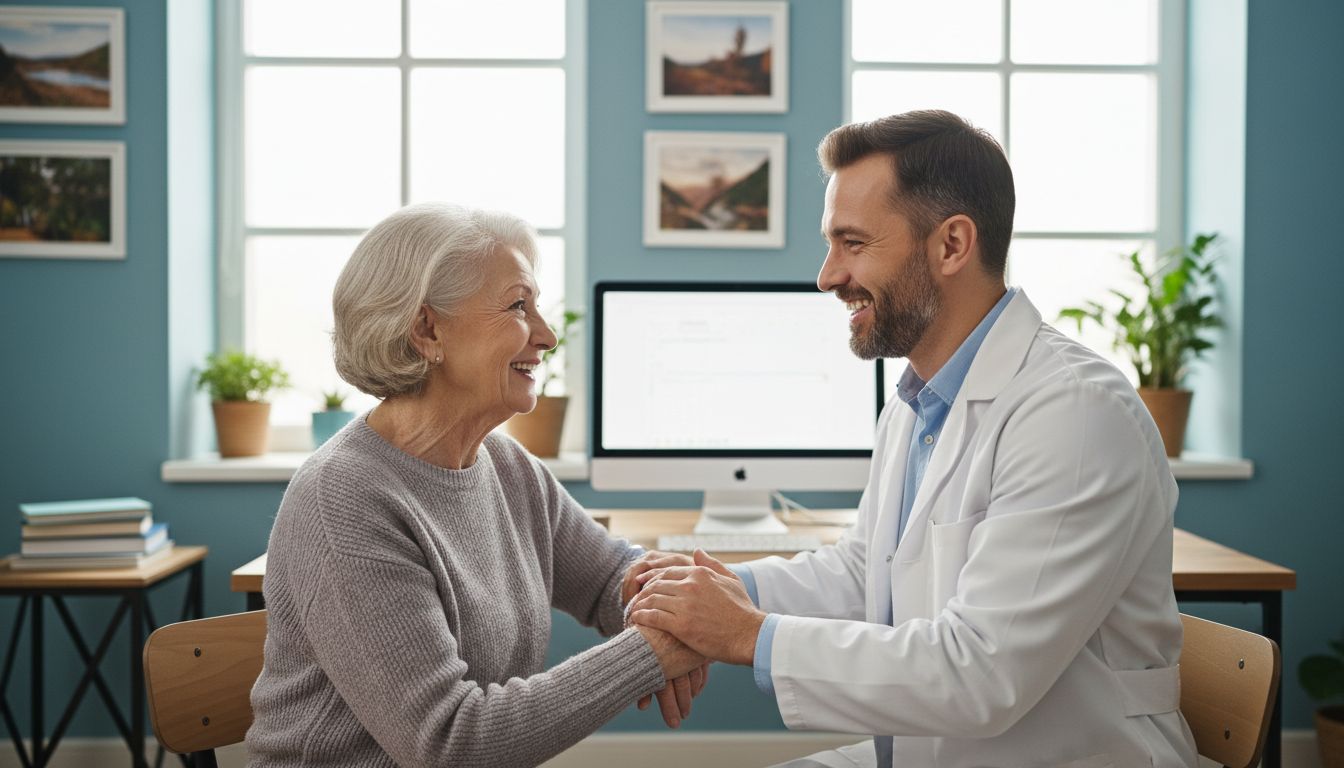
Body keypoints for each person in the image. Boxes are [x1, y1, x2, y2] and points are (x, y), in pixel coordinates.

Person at [627, 111, 1200, 768]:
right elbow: (864, 571)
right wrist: (715, 587)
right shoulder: (916, 401)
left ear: (951, 245)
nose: (827, 276)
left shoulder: (1072, 413)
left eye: (853, 243)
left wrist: (746, 634)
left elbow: (980, 674)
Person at [246, 202, 707, 768]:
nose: (547, 336)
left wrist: (657, 602)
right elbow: (451, 741)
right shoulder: (345, 498)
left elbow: (609, 576)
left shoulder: (508, 468)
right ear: (427, 330)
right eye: (518, 306)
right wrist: (653, 652)